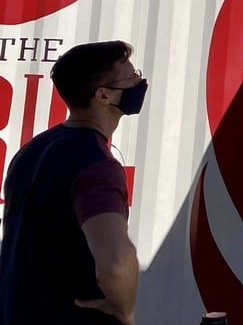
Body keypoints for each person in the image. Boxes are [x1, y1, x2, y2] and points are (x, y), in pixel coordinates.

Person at [0, 41, 146, 325]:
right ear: (103, 95)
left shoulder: (31, 152)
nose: (139, 83)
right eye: (131, 76)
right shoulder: (96, 164)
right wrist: (124, 310)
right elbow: (116, 262)